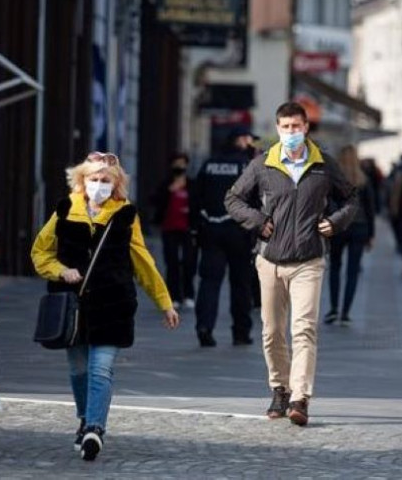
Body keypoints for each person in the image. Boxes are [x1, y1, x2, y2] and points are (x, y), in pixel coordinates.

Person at [31, 152, 180, 461]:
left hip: (113, 305)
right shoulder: (65, 209)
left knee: (100, 369)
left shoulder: (125, 214)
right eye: (94, 179)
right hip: (73, 307)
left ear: (116, 184)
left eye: (105, 180)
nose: (99, 185)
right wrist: (61, 271)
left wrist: (164, 302)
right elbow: (40, 252)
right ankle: (85, 418)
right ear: (82, 180)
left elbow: (142, 261)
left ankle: (94, 429)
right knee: (79, 370)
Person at [224, 102, 357, 426]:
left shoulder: (323, 164)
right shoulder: (262, 164)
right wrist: (257, 221)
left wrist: (336, 222)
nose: (291, 132)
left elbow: (351, 197)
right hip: (270, 260)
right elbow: (232, 199)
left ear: (306, 128)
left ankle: (300, 398)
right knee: (272, 332)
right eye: (285, 127)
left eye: (296, 126)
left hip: (309, 260)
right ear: (278, 128)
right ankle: (280, 389)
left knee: (304, 329)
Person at [191, 127, 257, 347]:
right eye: (248, 139)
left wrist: (196, 227)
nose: (251, 143)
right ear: (240, 140)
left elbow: (196, 197)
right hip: (240, 232)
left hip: (211, 229)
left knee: (209, 282)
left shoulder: (209, 164)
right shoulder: (246, 166)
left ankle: (204, 326)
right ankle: (241, 332)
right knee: (241, 284)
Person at [323, 145, 376, 326]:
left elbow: (325, 204)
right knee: (352, 272)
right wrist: (371, 234)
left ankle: (333, 309)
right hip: (359, 228)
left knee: (335, 268)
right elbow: (370, 209)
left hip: (338, 228)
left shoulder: (333, 179)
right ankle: (345, 313)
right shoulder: (363, 180)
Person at [149, 152, 196, 309]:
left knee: (189, 262)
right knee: (172, 262)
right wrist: (169, 190)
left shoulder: (191, 184)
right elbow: (154, 200)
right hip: (169, 228)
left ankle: (189, 294)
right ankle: (174, 296)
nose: (179, 166)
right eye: (177, 163)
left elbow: (198, 202)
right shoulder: (165, 184)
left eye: (182, 163)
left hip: (188, 228)